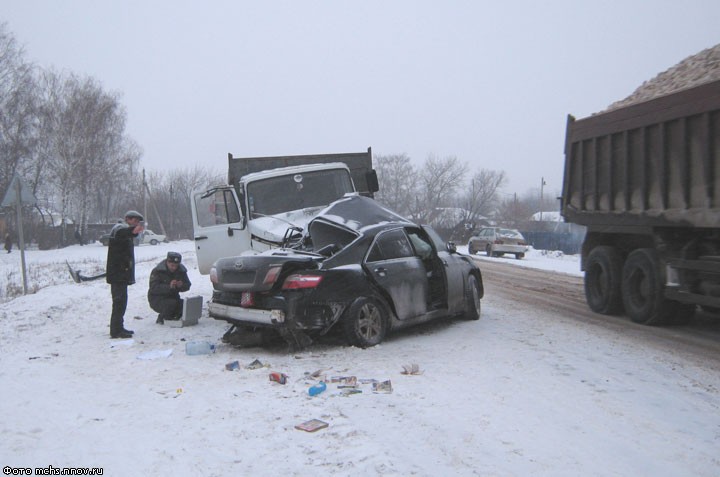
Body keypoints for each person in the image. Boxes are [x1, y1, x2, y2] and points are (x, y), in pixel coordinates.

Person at [106, 210, 144, 339]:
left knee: (121, 302)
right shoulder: (119, 228)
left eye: (137, 222)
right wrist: (132, 231)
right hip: (118, 274)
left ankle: (119, 327)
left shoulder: (122, 229)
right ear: (128, 219)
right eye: (134, 221)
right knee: (119, 302)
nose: (136, 224)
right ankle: (116, 331)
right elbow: (124, 233)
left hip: (120, 273)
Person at [148, 251, 191, 324]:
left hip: (174, 297)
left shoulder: (181, 271)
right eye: (172, 265)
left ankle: (173, 316)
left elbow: (188, 285)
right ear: (167, 262)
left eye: (176, 266)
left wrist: (181, 285)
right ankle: (162, 317)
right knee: (171, 304)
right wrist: (169, 287)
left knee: (185, 305)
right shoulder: (157, 271)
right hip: (157, 299)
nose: (174, 268)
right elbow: (153, 288)